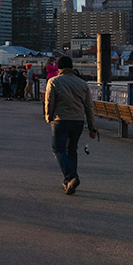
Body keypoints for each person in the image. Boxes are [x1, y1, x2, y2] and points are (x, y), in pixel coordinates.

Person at [43, 55, 99, 194]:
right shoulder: (82, 83)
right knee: (72, 150)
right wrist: (92, 127)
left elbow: (49, 102)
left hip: (60, 119)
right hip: (78, 121)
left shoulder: (53, 81)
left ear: (59, 68)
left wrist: (48, 117)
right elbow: (88, 107)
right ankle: (68, 182)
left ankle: (71, 177)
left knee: (59, 150)